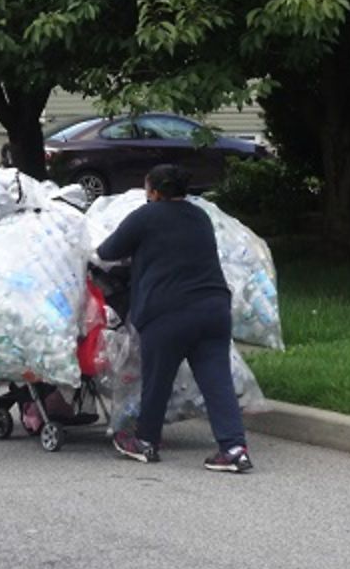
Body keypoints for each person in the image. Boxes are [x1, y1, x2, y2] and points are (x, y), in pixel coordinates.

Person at [96, 163, 253, 473]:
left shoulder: (145, 216)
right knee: (217, 381)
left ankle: (145, 441)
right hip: (214, 308)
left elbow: (107, 251)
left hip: (167, 312)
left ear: (153, 191)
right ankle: (233, 448)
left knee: (157, 380)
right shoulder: (200, 216)